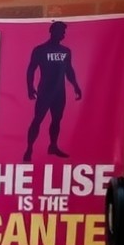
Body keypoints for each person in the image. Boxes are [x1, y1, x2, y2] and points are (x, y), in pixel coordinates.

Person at [24, 20, 82, 160]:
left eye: (63, 32)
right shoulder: (40, 50)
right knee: (38, 120)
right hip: (44, 91)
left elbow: (69, 70)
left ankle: (53, 146)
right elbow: (31, 69)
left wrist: (75, 86)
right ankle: (29, 149)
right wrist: (30, 87)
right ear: (52, 31)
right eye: (59, 31)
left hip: (59, 92)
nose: (62, 34)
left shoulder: (66, 51)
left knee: (57, 120)